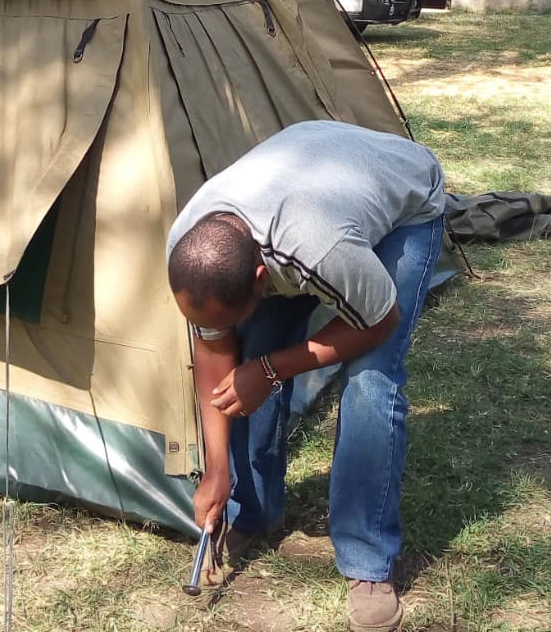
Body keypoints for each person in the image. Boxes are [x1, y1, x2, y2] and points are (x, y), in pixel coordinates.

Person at [165, 120, 446, 632]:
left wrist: (271, 370)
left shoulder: (320, 248)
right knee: (253, 346)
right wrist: (215, 469)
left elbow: (378, 323)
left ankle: (367, 562)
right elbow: (214, 350)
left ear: (260, 279)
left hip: (403, 202)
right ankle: (253, 511)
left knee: (370, 380)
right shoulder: (190, 244)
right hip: (310, 179)